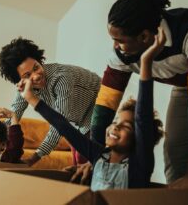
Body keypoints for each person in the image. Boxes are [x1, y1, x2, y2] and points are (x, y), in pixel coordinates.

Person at [18, 31, 165, 190]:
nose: (115, 126)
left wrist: (146, 62)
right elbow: (62, 124)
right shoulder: (98, 155)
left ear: (139, 137)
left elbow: (142, 118)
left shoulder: (140, 163)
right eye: (116, 122)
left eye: (127, 126)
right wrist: (30, 98)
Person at [91, 0, 188, 183]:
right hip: (183, 87)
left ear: (145, 36)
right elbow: (103, 110)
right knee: (174, 148)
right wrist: (94, 158)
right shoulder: (121, 56)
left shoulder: (187, 32)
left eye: (120, 41)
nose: (116, 47)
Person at [0, 37, 101, 166]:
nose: (35, 76)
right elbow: (15, 112)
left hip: (98, 107)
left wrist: (34, 158)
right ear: (20, 80)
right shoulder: (24, 87)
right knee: (77, 163)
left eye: (36, 67)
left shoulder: (62, 78)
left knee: (84, 160)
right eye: (27, 75)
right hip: (76, 119)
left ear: (39, 61)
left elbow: (58, 124)